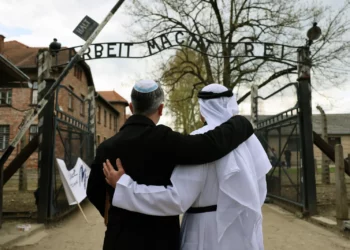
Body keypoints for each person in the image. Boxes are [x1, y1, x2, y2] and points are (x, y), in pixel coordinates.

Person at [87, 80, 254, 250]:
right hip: (161, 238)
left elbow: (93, 190)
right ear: (160, 109)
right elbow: (208, 146)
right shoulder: (166, 140)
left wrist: (117, 214)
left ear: (131, 107)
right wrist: (241, 123)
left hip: (119, 238)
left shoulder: (106, 148)